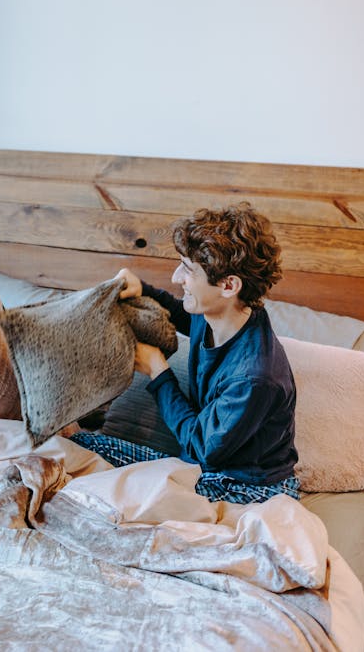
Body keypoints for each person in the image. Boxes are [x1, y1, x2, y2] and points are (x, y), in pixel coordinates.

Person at [70, 203, 299, 504]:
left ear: (229, 285)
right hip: (207, 465)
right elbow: (184, 314)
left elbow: (201, 446)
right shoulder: (224, 313)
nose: (177, 277)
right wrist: (144, 290)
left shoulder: (255, 377)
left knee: (82, 454)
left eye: (188, 269)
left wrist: (158, 372)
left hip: (245, 488)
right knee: (75, 447)